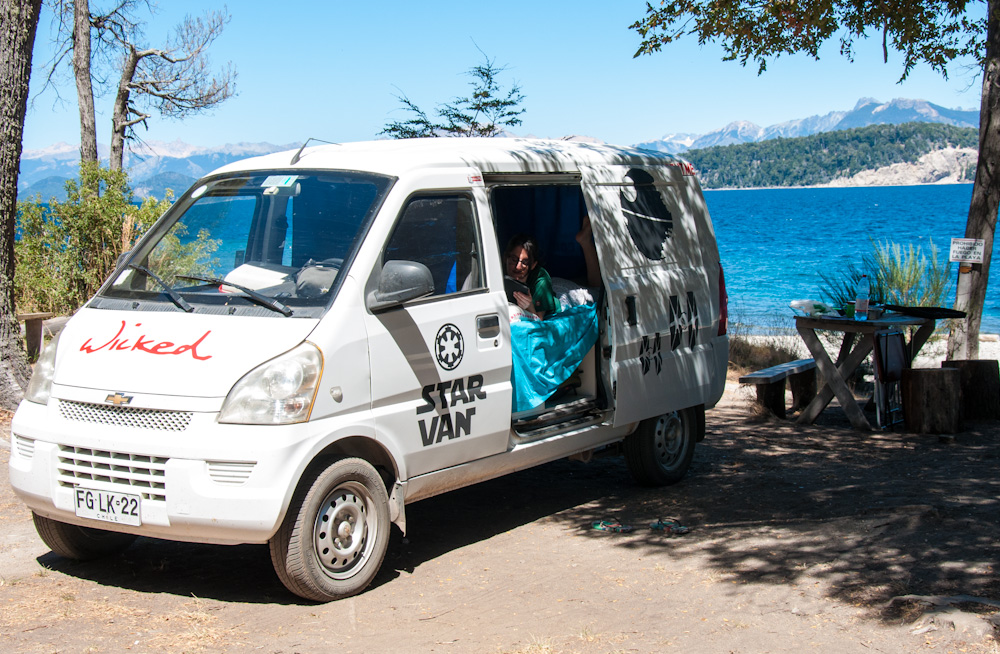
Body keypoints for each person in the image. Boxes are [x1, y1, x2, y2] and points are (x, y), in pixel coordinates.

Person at [505, 234, 559, 319]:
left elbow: (539, 320)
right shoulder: (496, 272)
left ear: (533, 265)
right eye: (514, 259)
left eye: (524, 262)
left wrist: (529, 306)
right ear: (505, 258)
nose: (518, 267)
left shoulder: (540, 279)